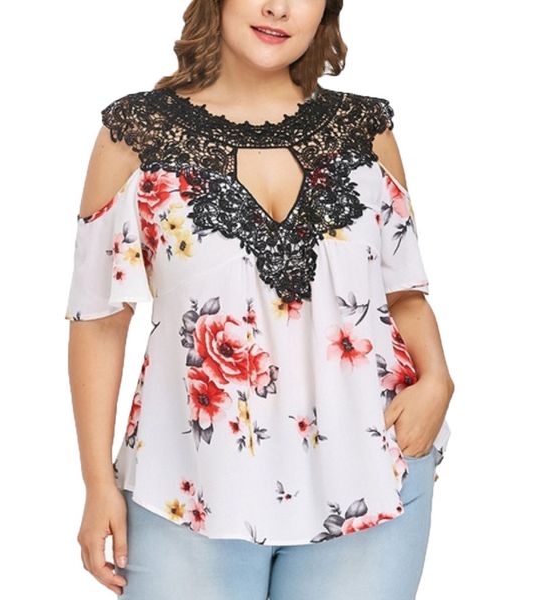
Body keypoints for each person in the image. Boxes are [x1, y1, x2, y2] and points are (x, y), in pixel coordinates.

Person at [65, 1, 454, 598]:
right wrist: (97, 484)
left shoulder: (365, 131)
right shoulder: (137, 136)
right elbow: (98, 320)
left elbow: (403, 290)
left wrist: (439, 381)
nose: (278, 7)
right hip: (188, 485)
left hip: (372, 471)